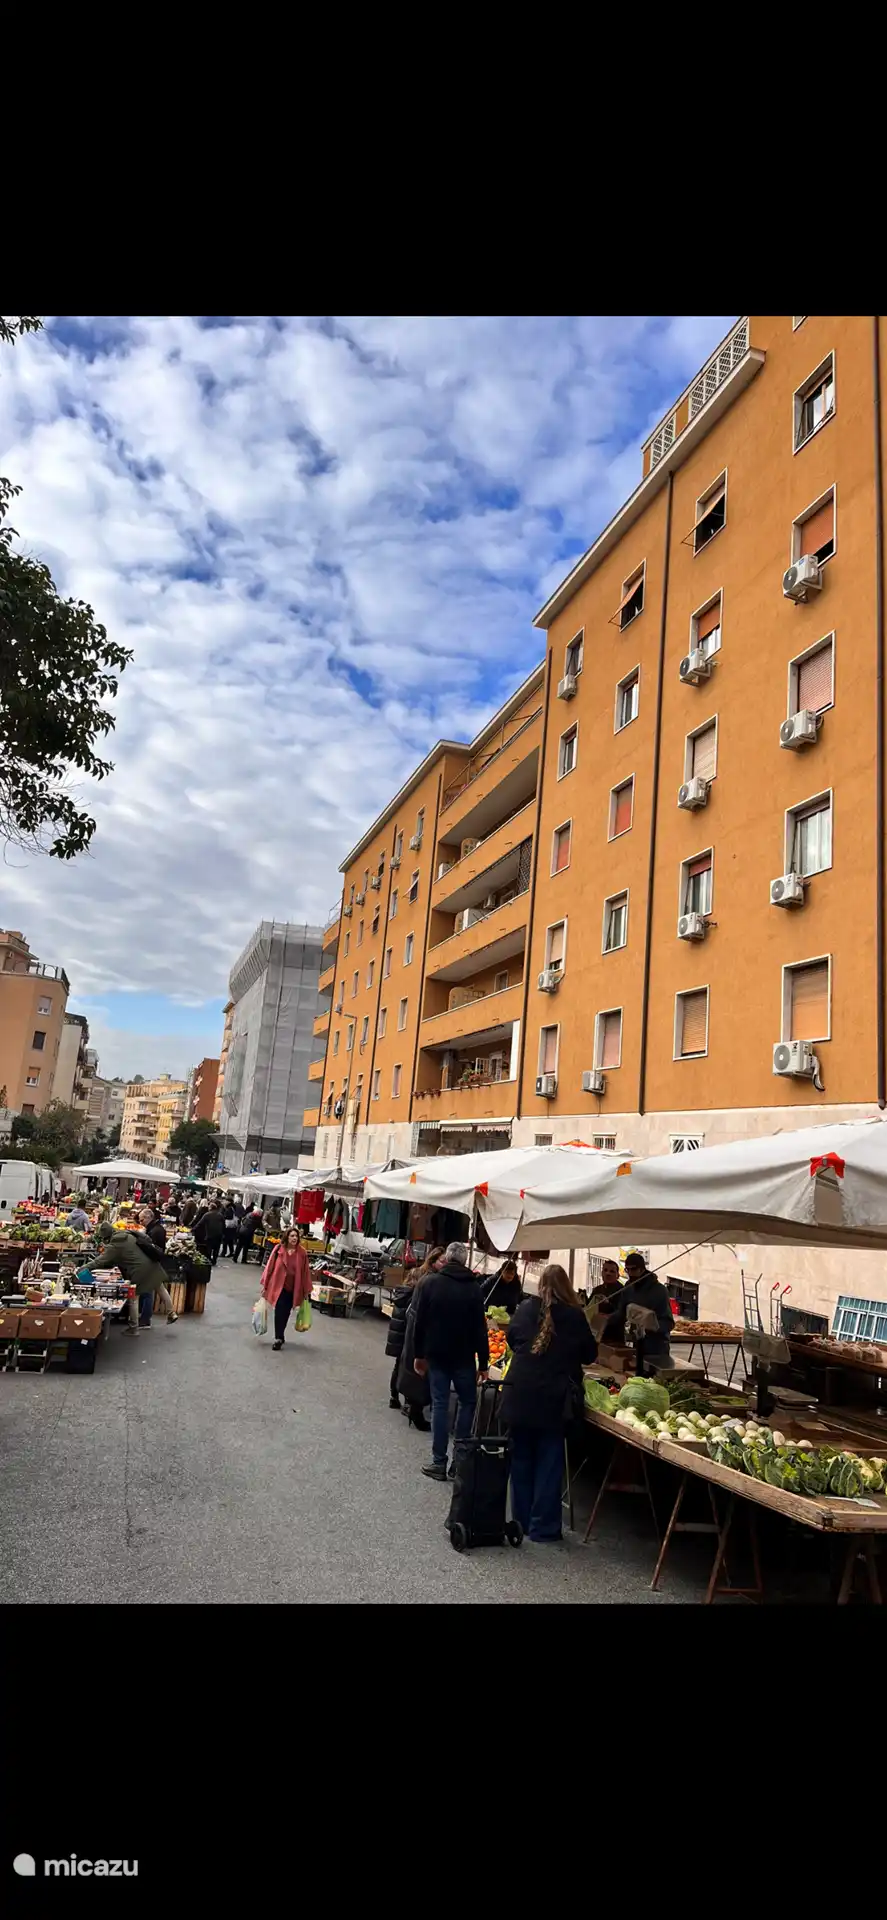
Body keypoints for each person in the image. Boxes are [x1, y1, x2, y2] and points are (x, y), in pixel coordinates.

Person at [500, 1263, 597, 1543]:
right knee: (549, 1463)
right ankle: (543, 1527)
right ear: (566, 1287)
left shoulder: (526, 1309)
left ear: (541, 1284)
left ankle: (520, 1522)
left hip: (519, 1393)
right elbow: (590, 1354)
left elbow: (511, 1338)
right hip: (554, 1400)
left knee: (521, 1460)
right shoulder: (575, 1316)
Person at [413, 1241, 489, 1481]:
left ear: (446, 1258)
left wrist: (418, 1355)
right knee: (467, 1403)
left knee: (439, 1404)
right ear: (465, 1261)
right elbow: (480, 1328)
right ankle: (459, 1461)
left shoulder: (430, 1283)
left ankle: (439, 1462)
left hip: (437, 1354)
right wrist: (484, 1363)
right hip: (464, 1357)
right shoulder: (474, 1288)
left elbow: (419, 1323)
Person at [90, 1222, 178, 1333]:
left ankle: (134, 1327)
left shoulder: (115, 1245)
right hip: (152, 1263)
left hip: (139, 1270)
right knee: (160, 1288)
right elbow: (146, 1237)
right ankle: (172, 1313)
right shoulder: (127, 1233)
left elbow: (99, 1261)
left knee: (134, 1298)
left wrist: (83, 1268)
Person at [385, 1246, 443, 1417]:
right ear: (433, 1261)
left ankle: (394, 1397)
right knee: (406, 1363)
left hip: (402, 1321)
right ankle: (406, 1401)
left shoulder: (417, 1272)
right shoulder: (428, 1278)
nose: (444, 1264)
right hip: (408, 1323)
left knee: (401, 1362)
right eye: (442, 1261)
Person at [602, 1252, 674, 1371]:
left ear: (642, 1269)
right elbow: (622, 1313)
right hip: (637, 1344)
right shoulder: (629, 1287)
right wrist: (606, 1319)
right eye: (627, 1270)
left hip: (657, 1347)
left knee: (655, 1379)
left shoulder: (659, 1291)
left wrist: (652, 1326)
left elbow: (668, 1322)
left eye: (633, 1269)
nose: (630, 1273)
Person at [261, 1227, 312, 1350]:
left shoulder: (302, 1253)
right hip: (279, 1286)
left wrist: (306, 1291)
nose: (294, 1238)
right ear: (287, 1237)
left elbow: (305, 1272)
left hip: (293, 1288)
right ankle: (278, 1337)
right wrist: (265, 1285)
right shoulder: (279, 1249)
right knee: (279, 1311)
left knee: (286, 1313)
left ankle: (281, 1334)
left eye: (296, 1236)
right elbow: (269, 1268)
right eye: (292, 1236)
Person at [194, 1200, 225, 1267]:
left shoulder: (207, 1214)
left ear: (210, 1208)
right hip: (218, 1234)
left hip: (210, 1234)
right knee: (216, 1248)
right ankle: (214, 1261)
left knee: (209, 1248)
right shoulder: (220, 1215)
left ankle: (209, 1260)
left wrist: (193, 1229)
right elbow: (224, 1225)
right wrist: (223, 1233)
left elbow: (200, 1223)